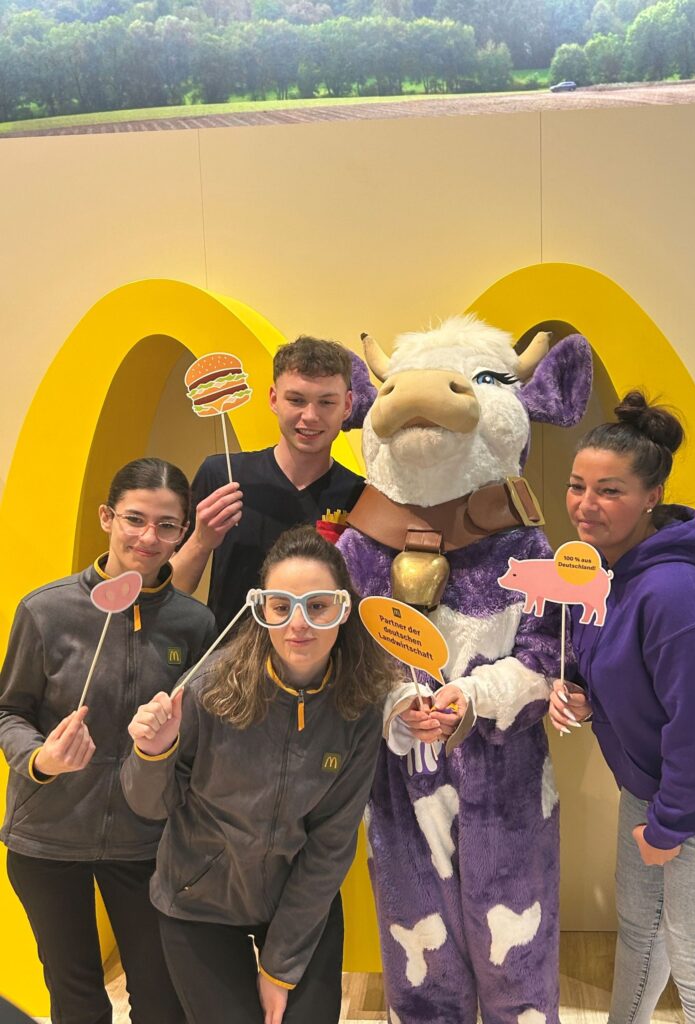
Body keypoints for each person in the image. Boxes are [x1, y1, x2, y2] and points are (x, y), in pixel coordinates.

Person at [550, 391, 695, 1024]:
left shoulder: (671, 592)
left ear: (652, 496)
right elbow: (634, 678)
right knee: (640, 939)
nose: (586, 505)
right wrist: (586, 699)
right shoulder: (606, 574)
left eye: (610, 491)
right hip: (652, 789)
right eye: (576, 485)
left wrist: (670, 827)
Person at [122, 525, 398, 1024]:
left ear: (342, 609)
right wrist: (152, 754)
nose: (299, 624)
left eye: (317, 605)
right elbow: (147, 806)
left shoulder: (359, 703)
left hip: (297, 898)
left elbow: (332, 843)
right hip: (198, 901)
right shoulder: (210, 687)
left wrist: (279, 968)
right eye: (281, 606)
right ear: (261, 610)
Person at [0, 457, 217, 1024]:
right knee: (76, 998)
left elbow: (200, 740)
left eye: (167, 525)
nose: (149, 537)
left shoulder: (194, 624)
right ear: (107, 517)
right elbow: (8, 712)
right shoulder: (46, 610)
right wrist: (41, 759)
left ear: (183, 531)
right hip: (47, 840)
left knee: (161, 999)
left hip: (146, 844)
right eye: (135, 519)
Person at [171, 336, 373, 630]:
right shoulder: (221, 475)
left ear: (347, 406)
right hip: (230, 666)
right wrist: (201, 541)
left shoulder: (361, 495)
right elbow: (173, 591)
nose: (310, 416)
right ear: (274, 399)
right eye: (296, 400)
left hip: (324, 666)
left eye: (326, 402)